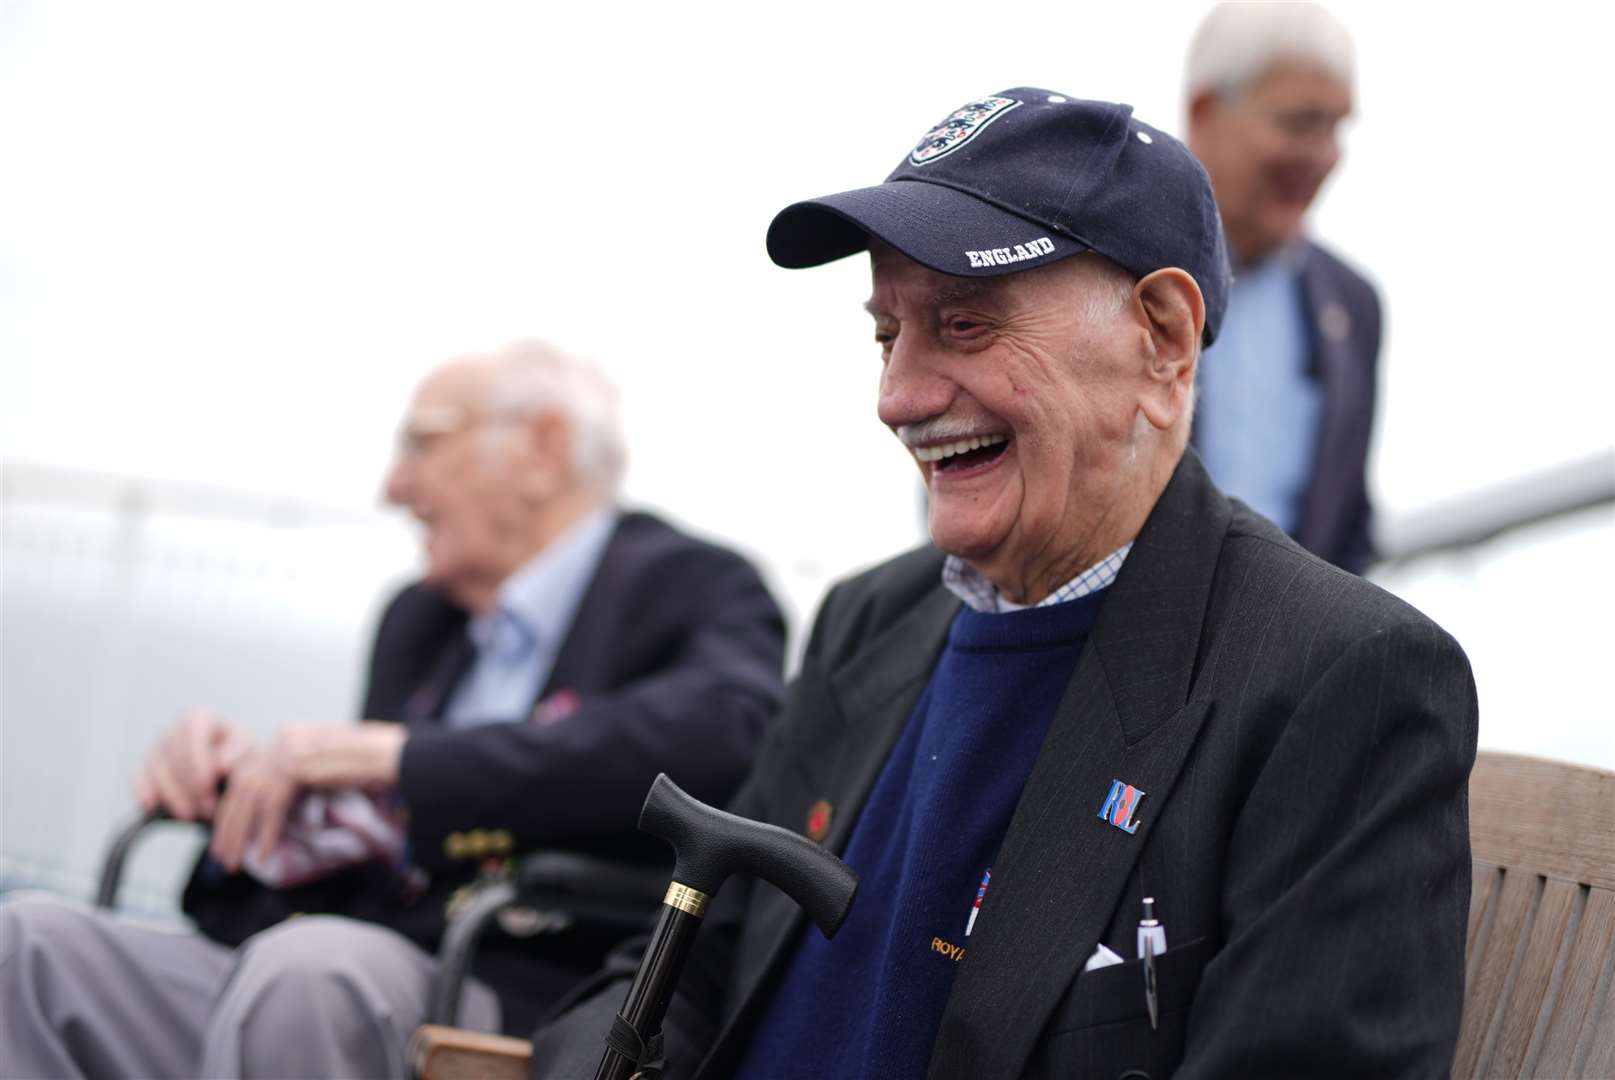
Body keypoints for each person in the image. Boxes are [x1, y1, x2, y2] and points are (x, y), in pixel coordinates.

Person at [528, 91, 1477, 1079]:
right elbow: (680, 962)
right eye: (887, 334)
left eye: (966, 323)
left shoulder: (1338, 680)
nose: (897, 396)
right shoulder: (870, 619)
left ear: (1161, 338)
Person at [0, 339, 787, 1078]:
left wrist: (398, 761)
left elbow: (722, 732)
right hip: (335, 968)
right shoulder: (419, 616)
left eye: (422, 443)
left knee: (309, 975)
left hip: (514, 987)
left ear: (542, 449)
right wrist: (244, 789)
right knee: (32, 943)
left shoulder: (695, 584)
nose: (393, 486)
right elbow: (366, 835)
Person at [1184, 2, 1382, 574]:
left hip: (1291, 655)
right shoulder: (1109, 271)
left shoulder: (1353, 305)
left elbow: (1348, 520)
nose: (1320, 155)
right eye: (1299, 123)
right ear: (1205, 112)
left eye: (1335, 127)